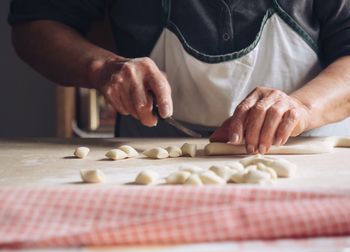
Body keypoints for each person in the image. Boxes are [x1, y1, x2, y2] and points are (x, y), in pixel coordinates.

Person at [8, 0, 350, 154]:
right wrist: (102, 67)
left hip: (306, 154)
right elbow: (36, 24)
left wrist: (303, 107)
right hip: (145, 165)